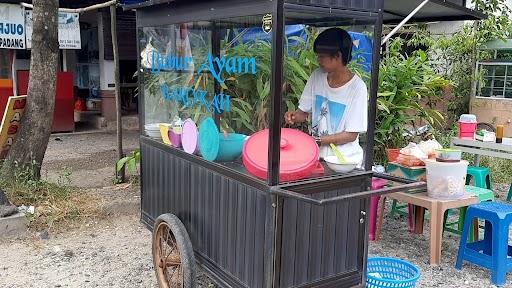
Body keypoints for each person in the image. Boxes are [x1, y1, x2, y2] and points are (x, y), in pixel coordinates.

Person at [284, 28, 368, 166]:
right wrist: (293, 116)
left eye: (322, 56)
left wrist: (317, 141)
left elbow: (351, 135)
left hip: (344, 162)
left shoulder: (357, 88)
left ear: (338, 56)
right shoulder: (317, 76)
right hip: (317, 157)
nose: (318, 60)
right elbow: (303, 113)